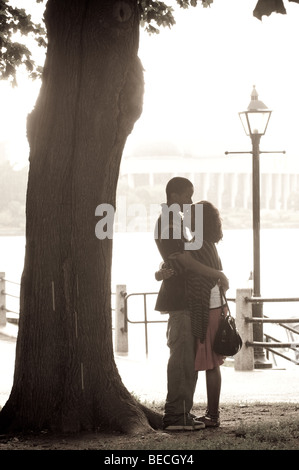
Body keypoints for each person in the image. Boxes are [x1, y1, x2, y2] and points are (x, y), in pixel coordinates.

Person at [154, 178, 229, 431]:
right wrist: (217, 274)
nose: (189, 202)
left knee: (187, 360)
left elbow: (176, 261)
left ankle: (182, 413)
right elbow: (181, 261)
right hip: (180, 300)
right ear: (174, 196)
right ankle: (176, 415)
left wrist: (163, 269)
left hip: (186, 300)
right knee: (182, 360)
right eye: (187, 196)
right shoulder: (169, 222)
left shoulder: (176, 223)